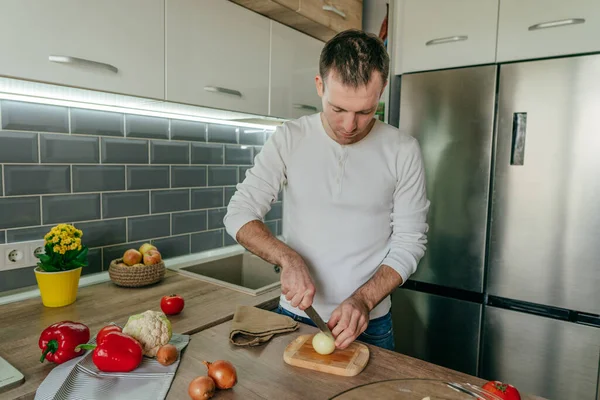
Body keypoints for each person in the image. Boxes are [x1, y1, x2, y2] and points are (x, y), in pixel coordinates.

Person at [224, 29, 429, 351]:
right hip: (296, 318)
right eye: (338, 109)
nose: (350, 126)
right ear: (320, 85)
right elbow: (239, 213)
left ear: (382, 90)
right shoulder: (290, 138)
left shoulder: (403, 150)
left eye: (365, 112)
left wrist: (364, 299)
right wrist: (287, 259)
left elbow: (410, 242)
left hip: (370, 321)